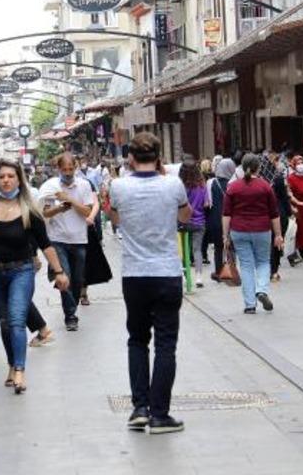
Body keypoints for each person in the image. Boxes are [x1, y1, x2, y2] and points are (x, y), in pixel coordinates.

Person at [106, 132, 193, 434]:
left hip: (135, 275)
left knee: (137, 340)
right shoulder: (173, 184)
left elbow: (115, 220)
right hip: (167, 273)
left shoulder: (118, 186)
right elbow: (185, 215)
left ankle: (139, 408)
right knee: (166, 345)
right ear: (158, 157)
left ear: (129, 157)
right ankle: (160, 414)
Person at [0, 161, 69, 394]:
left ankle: (19, 370)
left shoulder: (29, 210)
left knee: (17, 320)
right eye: (2, 177)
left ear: (19, 180)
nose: (6, 180)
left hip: (22, 271)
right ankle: (12, 365)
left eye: (11, 176)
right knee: (6, 323)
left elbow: (45, 244)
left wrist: (59, 271)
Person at [38, 153, 95, 332]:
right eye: (64, 169)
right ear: (58, 169)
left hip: (79, 239)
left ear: (76, 168)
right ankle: (70, 315)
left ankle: (73, 305)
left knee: (78, 279)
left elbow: (87, 212)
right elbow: (45, 213)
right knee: (65, 278)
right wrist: (59, 208)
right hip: (58, 240)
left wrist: (69, 199)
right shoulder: (50, 186)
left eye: (71, 169)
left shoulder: (84, 185)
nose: (68, 173)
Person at [223, 154, 284, 314]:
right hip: (262, 230)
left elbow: (226, 214)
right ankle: (262, 290)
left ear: (242, 167)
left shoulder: (233, 187)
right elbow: (274, 213)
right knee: (263, 262)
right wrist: (278, 234)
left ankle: (250, 305)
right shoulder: (265, 186)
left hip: (239, 231)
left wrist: (225, 235)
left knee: (247, 266)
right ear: (259, 168)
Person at [179, 160, 210, 288]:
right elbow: (206, 204)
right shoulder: (202, 185)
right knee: (197, 250)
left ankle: (187, 275)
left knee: (184, 250)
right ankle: (198, 277)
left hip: (183, 222)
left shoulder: (181, 186)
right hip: (199, 222)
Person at [207, 158, 236, 282]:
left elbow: (208, 203)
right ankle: (232, 272)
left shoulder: (211, 183)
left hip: (215, 219)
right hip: (231, 219)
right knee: (231, 246)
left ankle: (219, 272)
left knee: (218, 247)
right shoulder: (234, 184)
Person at [268, 152, 293, 282]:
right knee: (277, 241)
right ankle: (274, 271)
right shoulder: (278, 178)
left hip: (265, 215)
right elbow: (284, 197)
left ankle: (267, 269)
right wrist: (290, 213)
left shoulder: (261, 179)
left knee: (268, 243)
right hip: (279, 213)